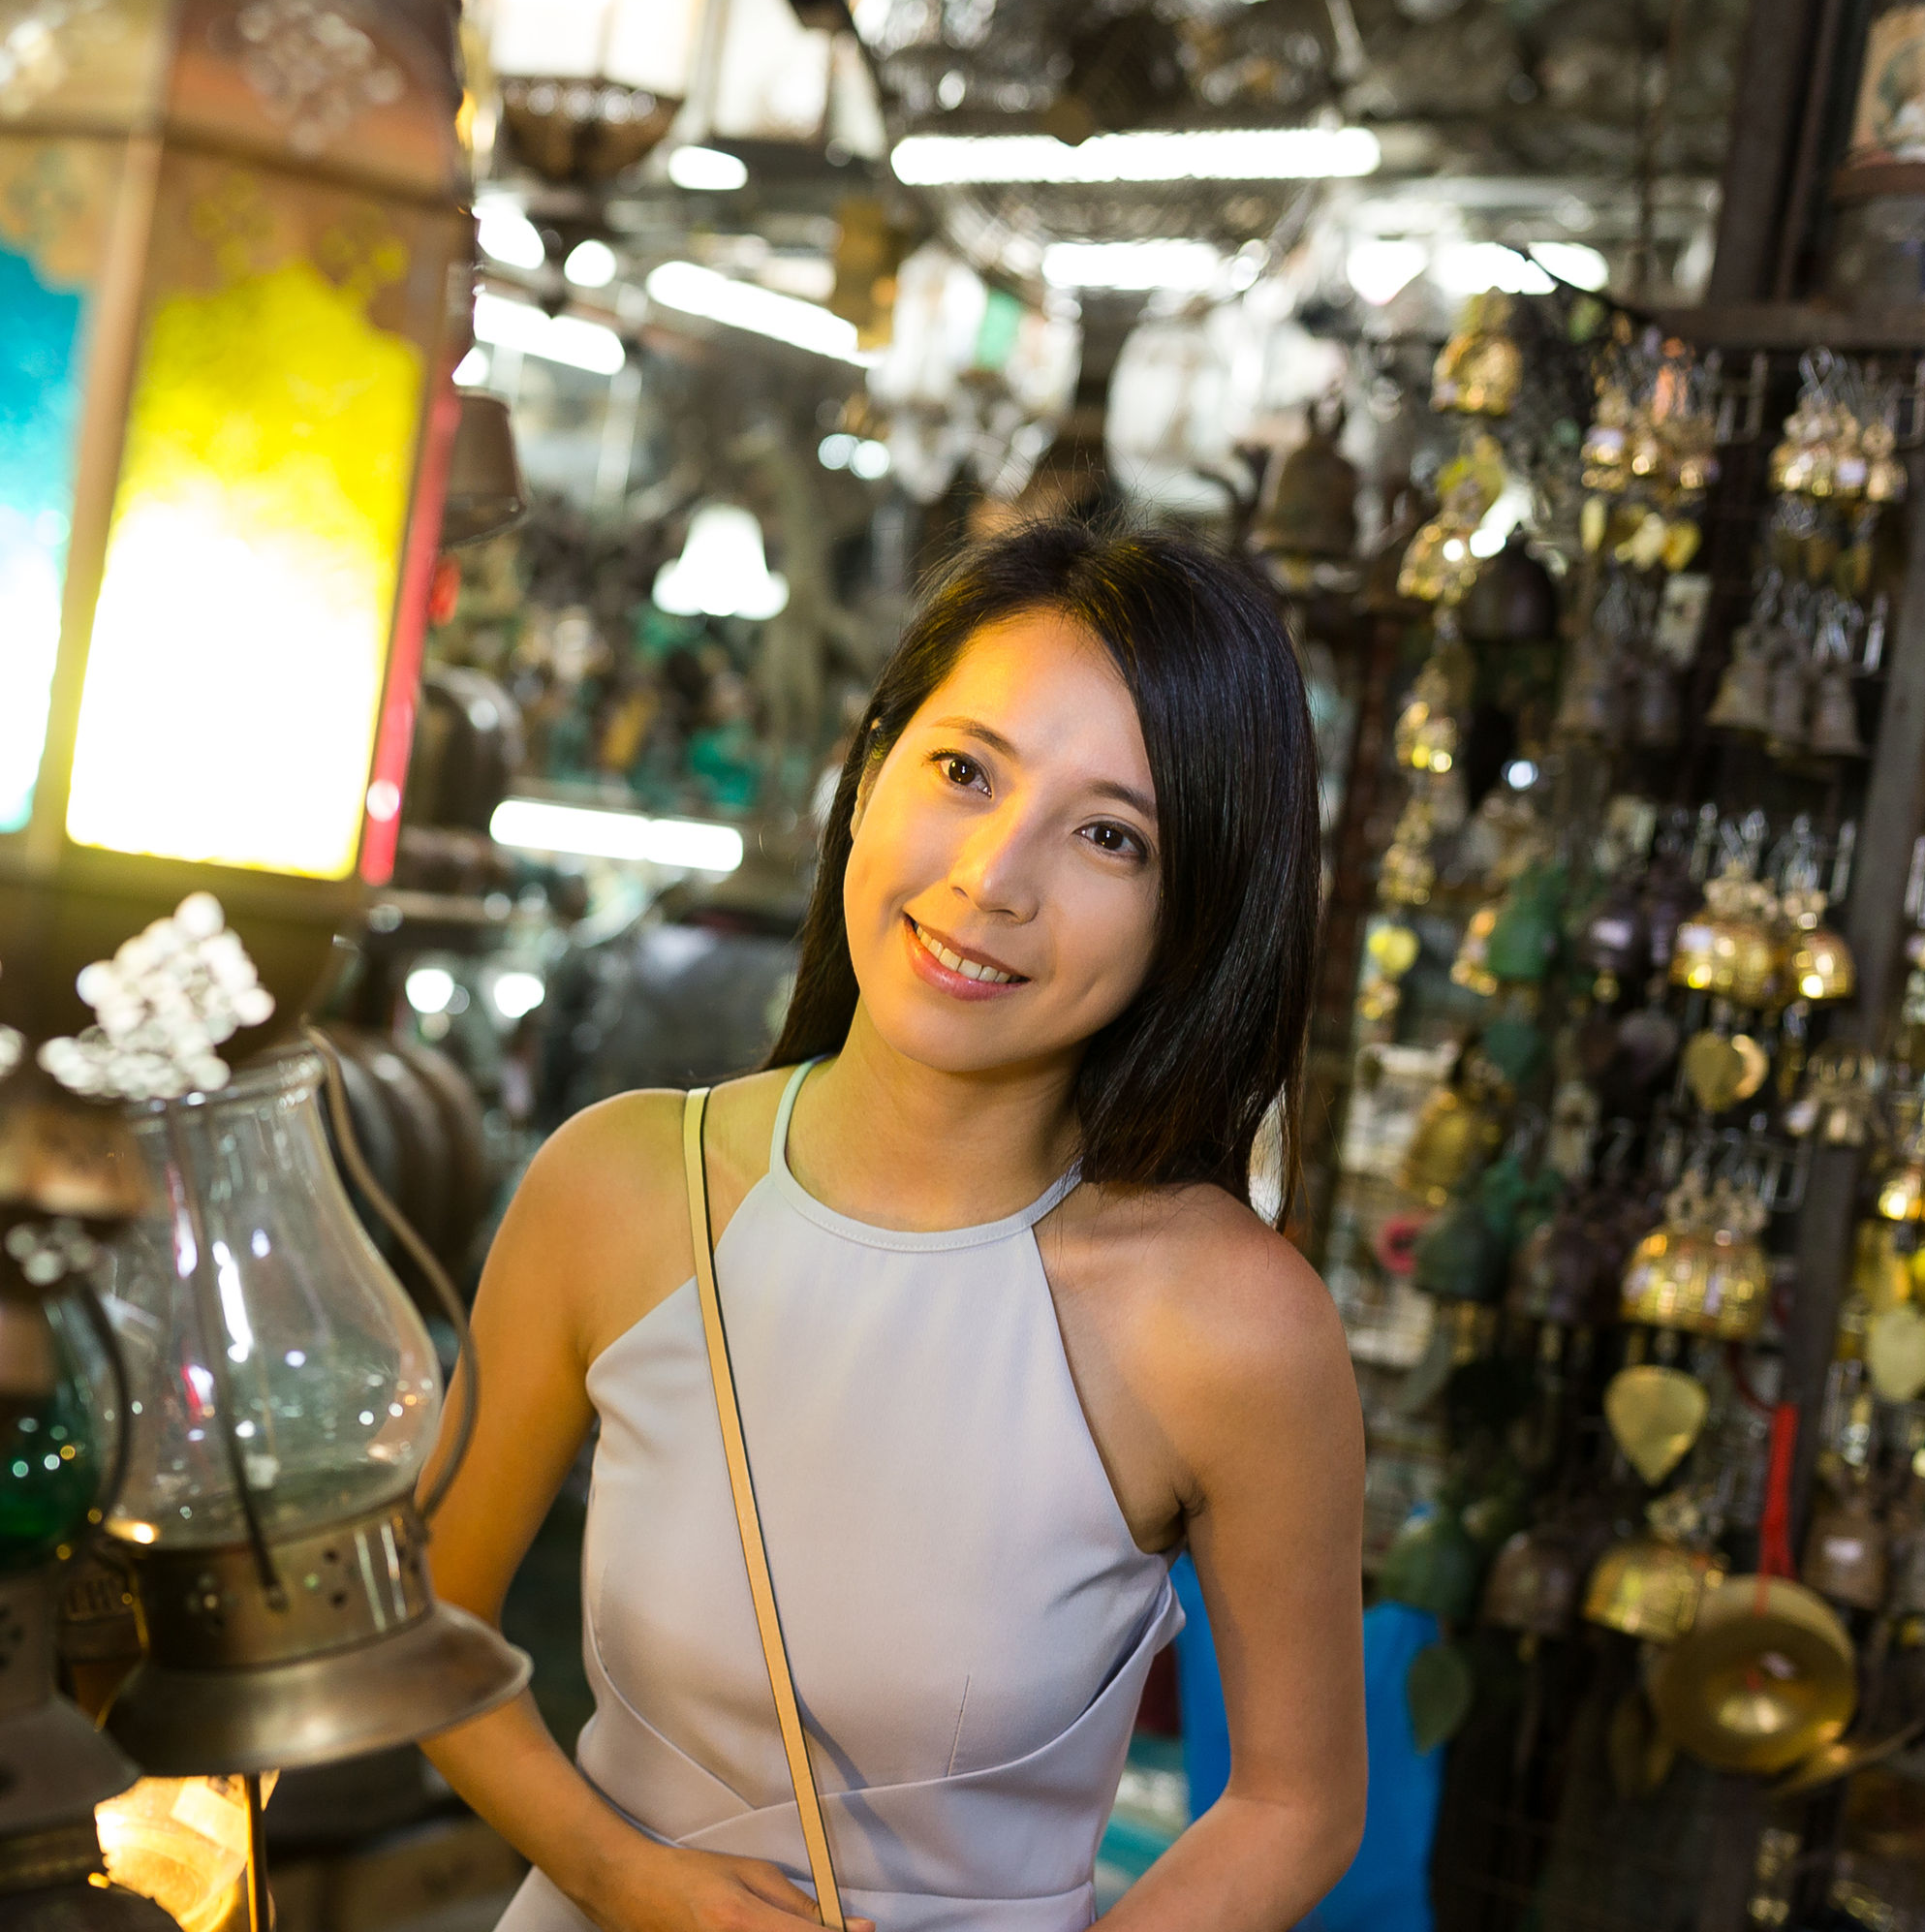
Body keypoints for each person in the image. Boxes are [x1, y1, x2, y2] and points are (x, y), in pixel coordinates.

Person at [425, 521, 1368, 1932]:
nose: (995, 876)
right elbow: (426, 1618)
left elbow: (1297, 1804)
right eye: (965, 770)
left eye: (1110, 835)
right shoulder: (616, 1184)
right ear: (866, 777)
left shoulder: (1229, 1324)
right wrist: (623, 1877)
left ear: (1192, 915)